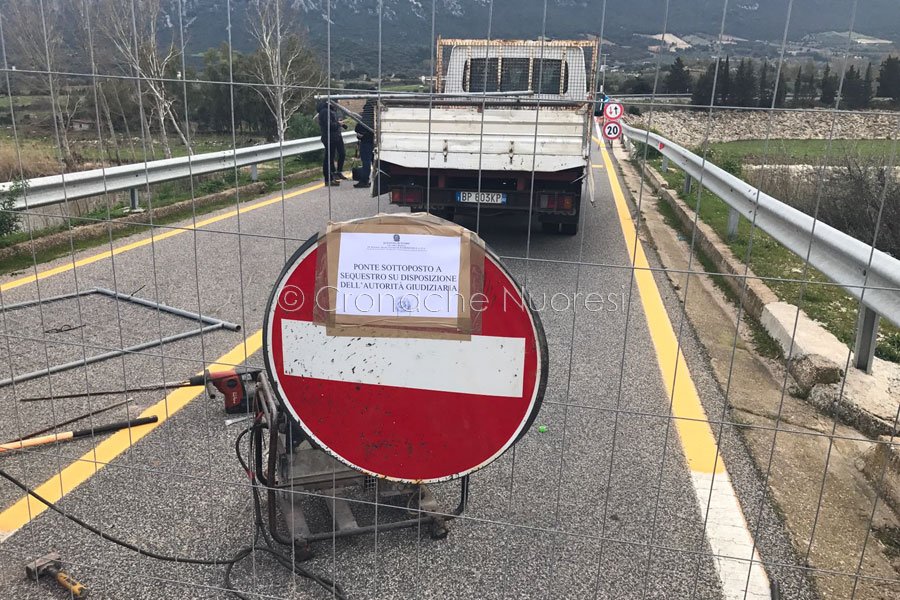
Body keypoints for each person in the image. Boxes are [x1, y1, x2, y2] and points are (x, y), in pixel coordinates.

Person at [317, 100, 345, 185]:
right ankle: (328, 179)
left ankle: (332, 176)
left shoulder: (331, 111)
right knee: (328, 159)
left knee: (332, 157)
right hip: (330, 137)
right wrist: (338, 124)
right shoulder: (325, 112)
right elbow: (329, 125)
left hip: (335, 136)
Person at [354, 98, 376, 188]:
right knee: (374, 161)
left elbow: (359, 127)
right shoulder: (378, 110)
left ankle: (364, 180)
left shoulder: (368, 110)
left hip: (366, 140)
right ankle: (376, 180)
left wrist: (360, 132)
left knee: (366, 161)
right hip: (375, 140)